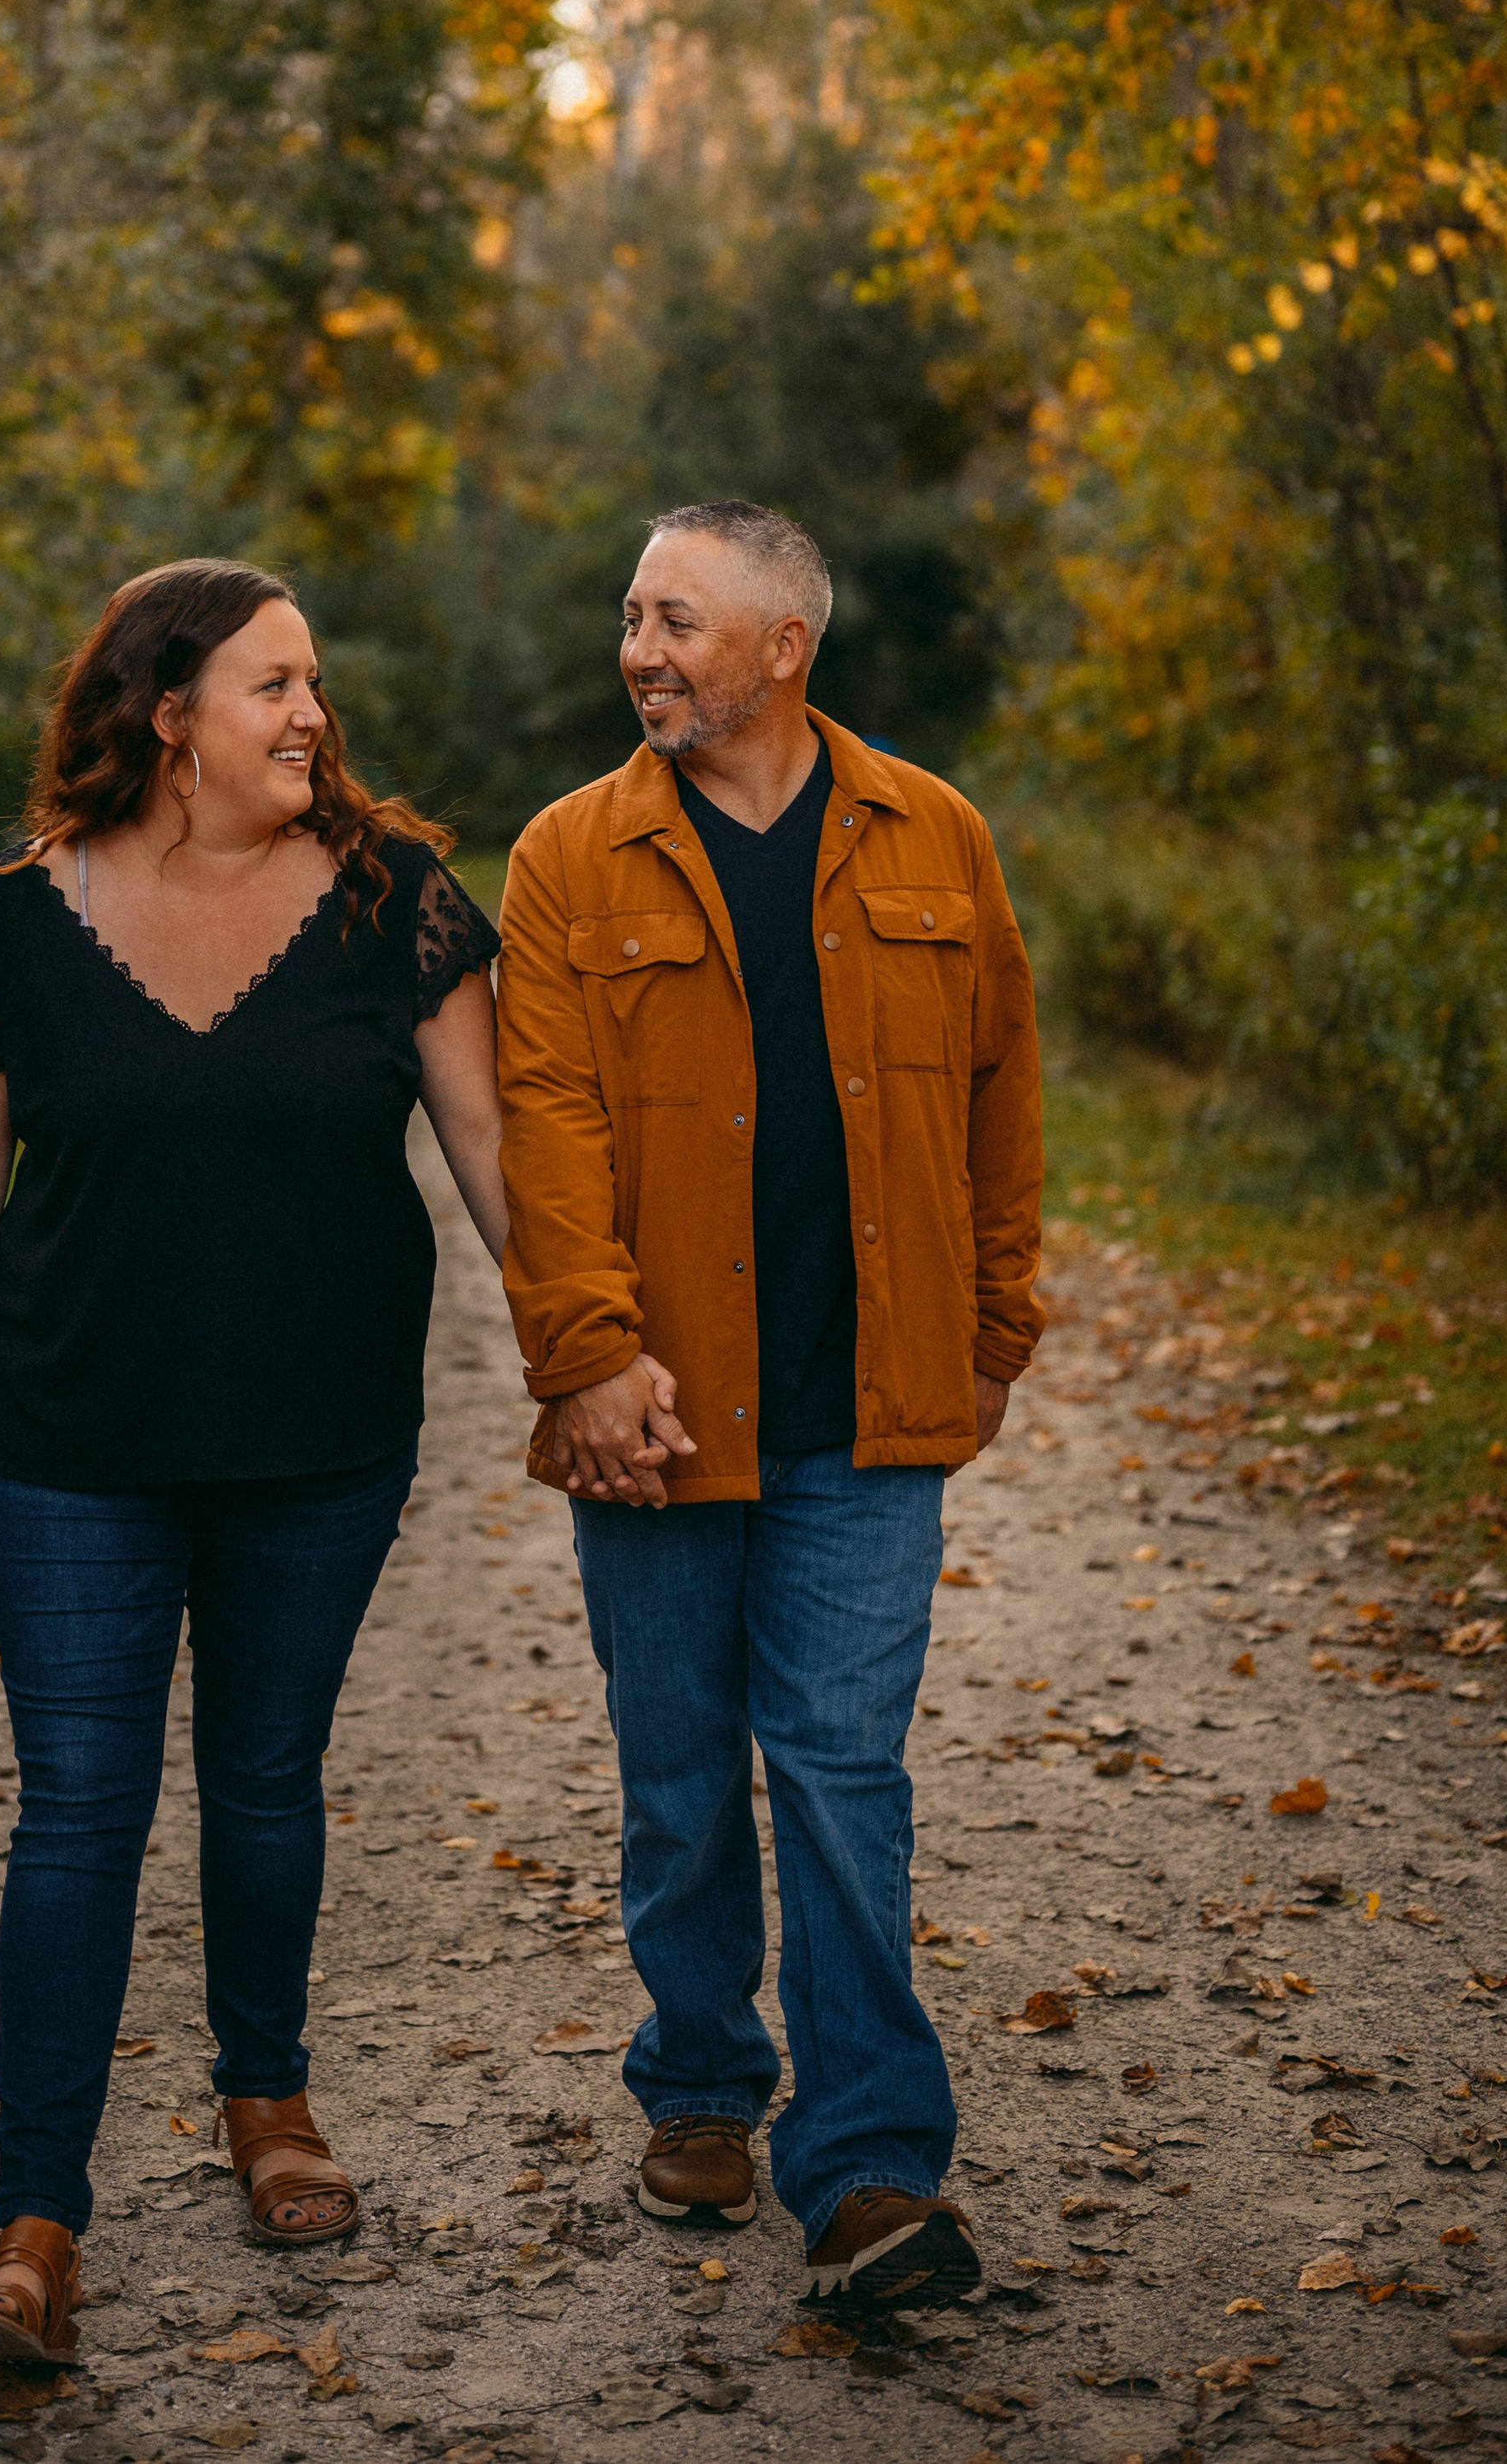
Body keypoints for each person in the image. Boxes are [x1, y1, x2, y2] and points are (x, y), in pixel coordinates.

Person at [0, 558, 505, 2363]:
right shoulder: (15, 922)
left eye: (312, 683)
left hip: (318, 1435)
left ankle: (268, 2102)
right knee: (76, 1809)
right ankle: (33, 2227)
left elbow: (485, 1143)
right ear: (168, 713)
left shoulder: (399, 907)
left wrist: (586, 1345)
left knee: (263, 1773)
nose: (313, 713)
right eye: (274, 683)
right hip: (76, 1436)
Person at [494, 500, 1043, 2310]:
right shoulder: (570, 857)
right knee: (676, 1774)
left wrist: (993, 1329)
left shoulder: (930, 833)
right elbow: (544, 1122)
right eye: (628, 615)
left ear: (782, 645)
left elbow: (996, 1097)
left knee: (836, 1772)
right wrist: (582, 1351)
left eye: (674, 619)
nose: (638, 648)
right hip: (652, 1409)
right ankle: (703, 2078)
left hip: (867, 1409)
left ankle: (872, 2159)